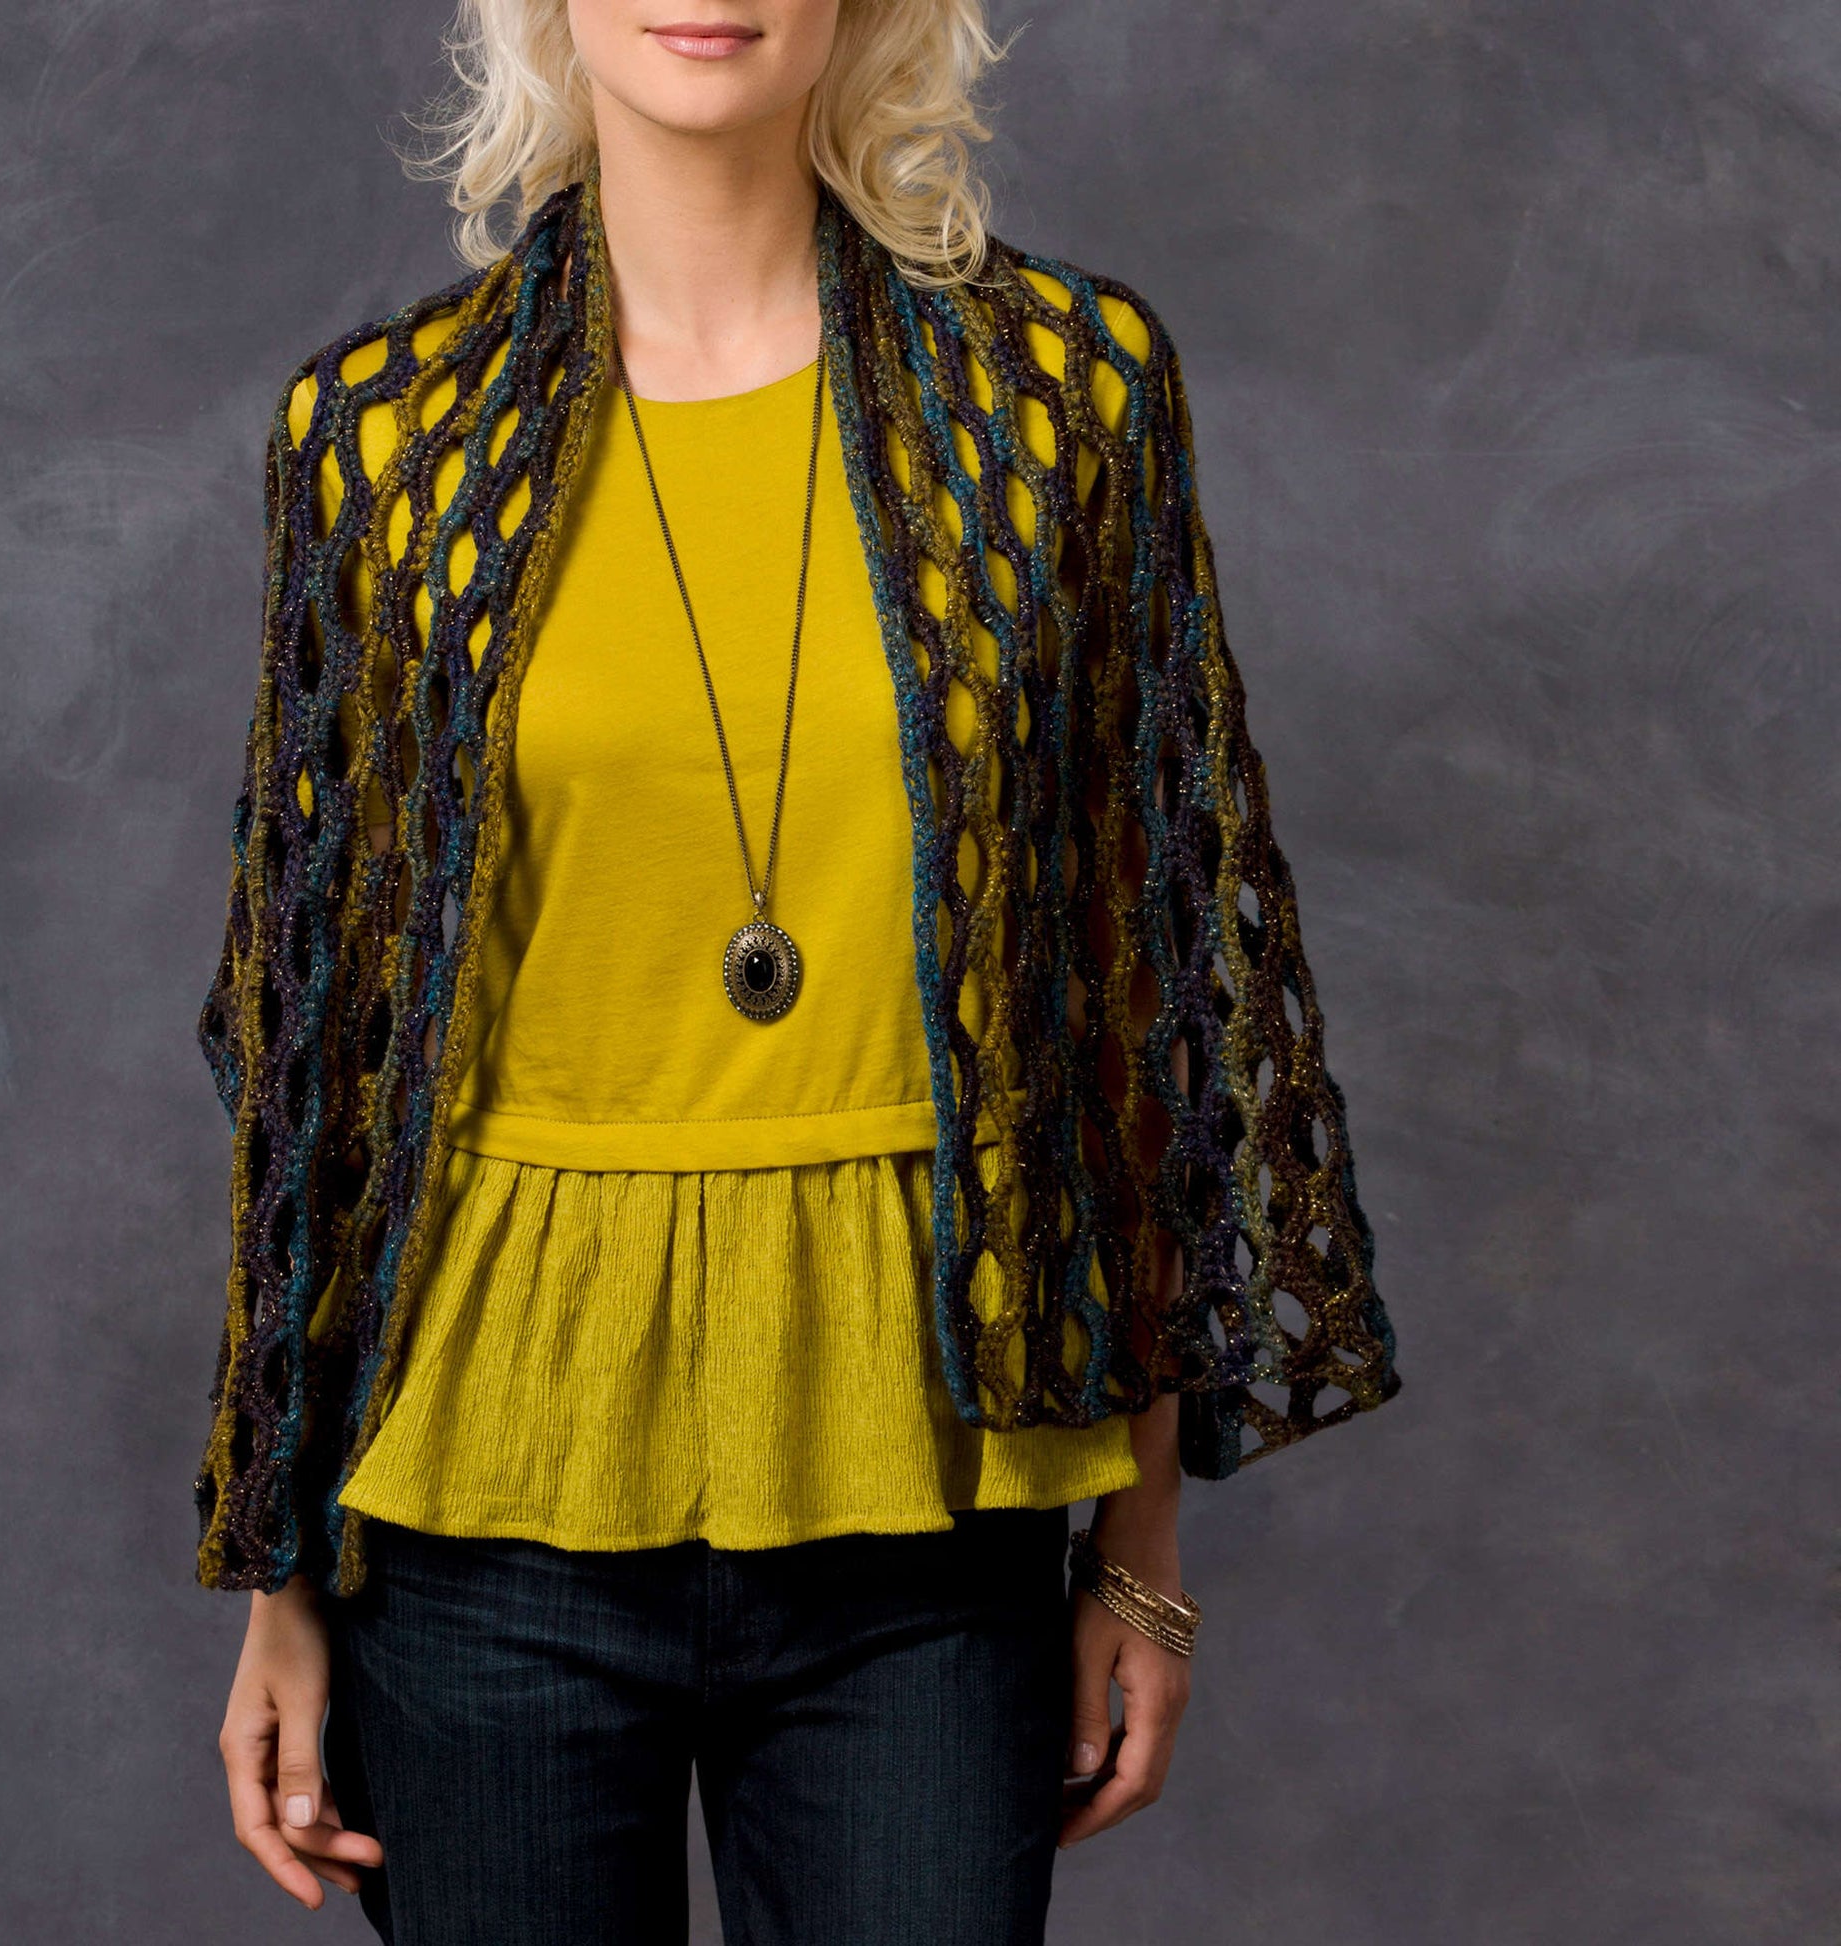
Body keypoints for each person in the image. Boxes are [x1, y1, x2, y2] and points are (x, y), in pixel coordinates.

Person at [198, 3, 1401, 1941]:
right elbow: (315, 1061)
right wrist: (281, 1586)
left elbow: (1147, 1000)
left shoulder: (1061, 397)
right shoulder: (384, 439)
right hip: (479, 1499)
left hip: (929, 1491)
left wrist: (1140, 1545)